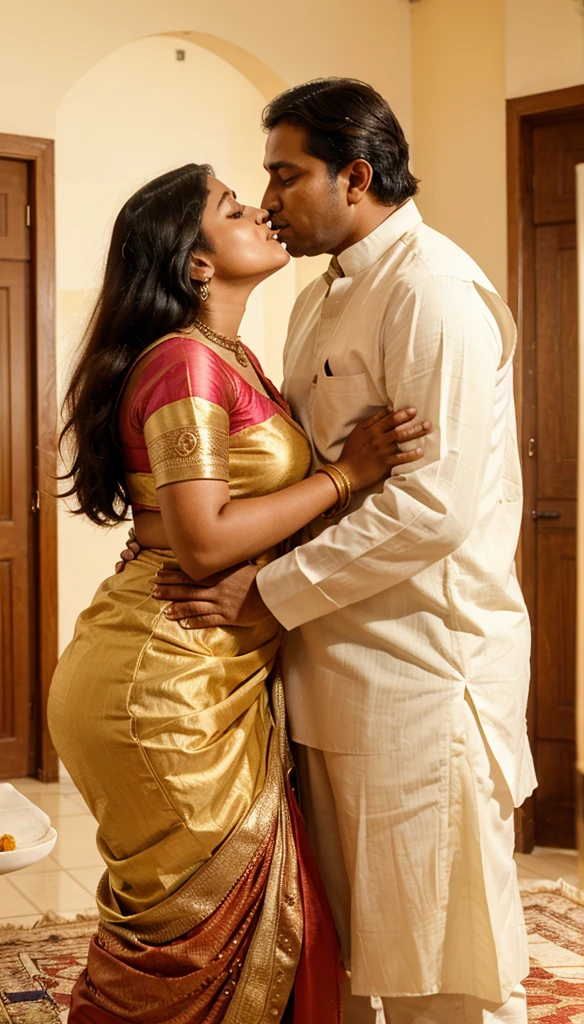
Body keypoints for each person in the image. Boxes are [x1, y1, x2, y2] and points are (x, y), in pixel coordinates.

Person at [136, 80, 537, 1024]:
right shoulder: (320, 297)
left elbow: (432, 507)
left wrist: (267, 593)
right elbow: (311, 473)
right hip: (330, 667)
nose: (267, 198)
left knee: (448, 962)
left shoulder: (431, 289)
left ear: (355, 177)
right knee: (350, 954)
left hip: (421, 675)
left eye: (285, 174)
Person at [48, 162, 431, 1024]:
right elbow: (204, 536)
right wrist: (345, 475)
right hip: (167, 679)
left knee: (221, 927)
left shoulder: (229, 357)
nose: (260, 207)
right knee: (186, 943)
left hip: (198, 665)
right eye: (232, 205)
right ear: (195, 263)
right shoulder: (185, 359)